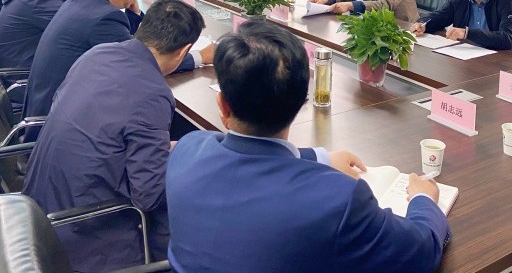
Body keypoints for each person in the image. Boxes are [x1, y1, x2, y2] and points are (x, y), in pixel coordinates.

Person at [166, 21, 450, 273]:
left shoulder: (187, 150)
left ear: (223, 106)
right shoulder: (339, 199)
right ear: (302, 102)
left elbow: (241, 152)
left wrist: (320, 157)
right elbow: (422, 252)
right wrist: (423, 199)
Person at [23, 0, 205, 272]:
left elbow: (109, 132)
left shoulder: (97, 55)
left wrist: (160, 148)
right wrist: (190, 161)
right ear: (183, 51)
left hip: (41, 209)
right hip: (85, 232)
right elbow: (148, 195)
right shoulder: (152, 92)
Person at [24, 0, 210, 123]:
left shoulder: (81, 0)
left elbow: (133, 44)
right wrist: (201, 57)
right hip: (56, 118)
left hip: (50, 105)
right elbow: (145, 62)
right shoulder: (103, 18)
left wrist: (134, 14)